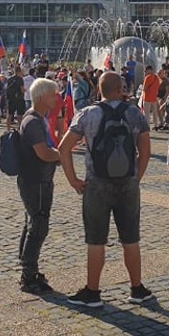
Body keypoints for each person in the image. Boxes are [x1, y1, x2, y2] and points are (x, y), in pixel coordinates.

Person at [58, 71, 153, 308]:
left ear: (98, 89)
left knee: (96, 241)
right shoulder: (134, 113)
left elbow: (63, 147)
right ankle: (137, 288)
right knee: (131, 239)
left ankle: (92, 292)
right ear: (121, 88)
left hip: (96, 184)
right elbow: (146, 151)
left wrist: (73, 180)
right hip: (128, 183)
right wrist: (136, 178)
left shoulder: (88, 114)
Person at [16, 78, 63, 295]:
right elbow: (43, 152)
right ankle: (29, 274)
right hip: (36, 181)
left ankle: (28, 268)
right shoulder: (33, 121)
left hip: (37, 179)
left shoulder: (35, 118)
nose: (57, 98)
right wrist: (62, 155)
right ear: (43, 96)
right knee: (38, 225)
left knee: (33, 222)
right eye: (54, 94)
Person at [140, 65, 161, 130]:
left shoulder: (147, 77)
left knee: (146, 113)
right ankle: (156, 125)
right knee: (155, 113)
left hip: (147, 98)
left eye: (146, 71)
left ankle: (147, 126)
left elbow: (144, 88)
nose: (145, 72)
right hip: (154, 98)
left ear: (149, 70)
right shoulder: (157, 78)